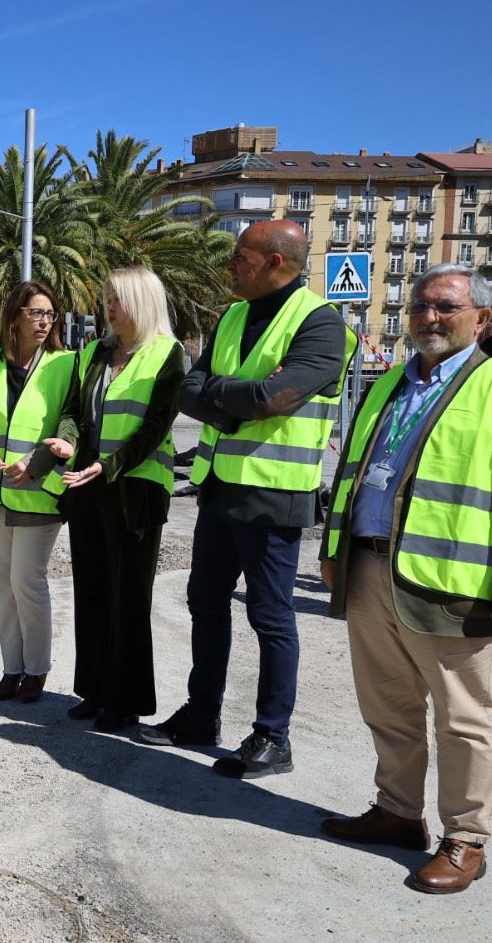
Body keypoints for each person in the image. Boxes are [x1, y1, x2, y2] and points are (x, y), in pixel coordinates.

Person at [317, 265, 492, 894]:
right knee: (388, 706)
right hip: (371, 567)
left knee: (465, 717)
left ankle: (466, 838)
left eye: (447, 307)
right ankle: (398, 812)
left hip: (457, 583)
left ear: (481, 319)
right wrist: (333, 546)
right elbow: (353, 469)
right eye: (421, 306)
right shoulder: (389, 383)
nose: (430, 317)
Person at [142, 220, 351, 779]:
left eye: (240, 255)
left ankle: (272, 737)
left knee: (270, 616)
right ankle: (201, 715)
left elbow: (273, 398)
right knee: (205, 603)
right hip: (219, 487)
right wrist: (236, 399)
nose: (230, 265)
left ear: (275, 261)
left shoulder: (321, 323)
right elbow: (189, 389)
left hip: (274, 494)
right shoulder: (233, 316)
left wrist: (226, 395)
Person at [49, 267, 185, 731]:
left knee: (128, 597)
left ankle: (125, 700)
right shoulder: (94, 352)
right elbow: (73, 412)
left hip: (135, 491)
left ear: (142, 302)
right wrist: (68, 441)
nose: (108, 307)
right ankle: (93, 689)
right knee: (91, 590)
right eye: (106, 298)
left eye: (117, 299)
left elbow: (156, 427)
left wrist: (109, 466)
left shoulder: (167, 353)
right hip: (87, 486)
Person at [0, 280, 77, 704]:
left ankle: (36, 670)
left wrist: (37, 463)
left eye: (50, 314)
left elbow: (71, 424)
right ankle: (11, 669)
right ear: (14, 316)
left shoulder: (66, 364)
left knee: (27, 582)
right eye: (36, 313)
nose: (44, 322)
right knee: (3, 587)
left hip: (39, 493)